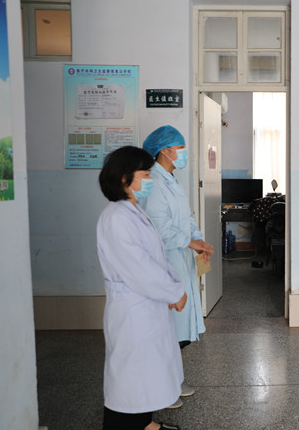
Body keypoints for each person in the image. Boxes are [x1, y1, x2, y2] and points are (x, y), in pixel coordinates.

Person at [97, 146, 186, 430]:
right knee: (131, 379)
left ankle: (145, 423)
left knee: (145, 374)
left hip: (146, 307)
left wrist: (174, 287)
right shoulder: (116, 218)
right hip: (133, 312)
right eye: (146, 174)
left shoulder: (133, 211)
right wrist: (174, 292)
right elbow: (140, 269)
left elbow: (157, 257)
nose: (150, 179)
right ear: (125, 178)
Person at [140, 126, 214, 408]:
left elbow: (186, 217)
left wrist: (198, 239)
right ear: (164, 150)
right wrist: (189, 242)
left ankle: (172, 381)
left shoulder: (170, 178)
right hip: (167, 260)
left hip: (180, 257)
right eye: (180, 148)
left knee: (178, 327)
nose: (183, 153)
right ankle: (162, 388)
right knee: (169, 327)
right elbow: (160, 227)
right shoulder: (154, 182)